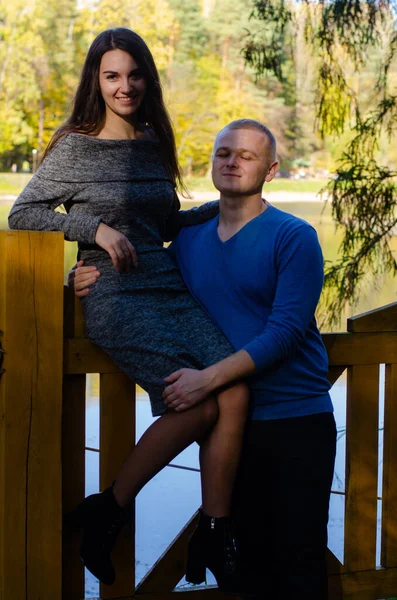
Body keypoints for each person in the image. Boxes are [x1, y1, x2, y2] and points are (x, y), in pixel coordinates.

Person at [8, 28, 250, 592]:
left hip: (168, 286)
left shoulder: (152, 139)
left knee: (234, 387)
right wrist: (89, 227)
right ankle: (111, 506)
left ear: (147, 77)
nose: (125, 86)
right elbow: (24, 214)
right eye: (112, 75)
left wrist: (231, 205)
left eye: (134, 74)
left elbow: (162, 226)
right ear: (96, 79)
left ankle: (214, 529)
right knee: (194, 403)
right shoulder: (75, 145)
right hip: (113, 291)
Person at [73, 119, 337, 600]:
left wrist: (206, 379)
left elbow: (285, 333)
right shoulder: (188, 241)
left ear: (271, 169)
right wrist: (79, 280)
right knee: (244, 568)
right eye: (223, 153)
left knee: (298, 566)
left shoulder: (293, 237)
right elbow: (141, 282)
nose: (232, 161)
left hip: (295, 421)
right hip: (228, 428)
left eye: (247, 156)